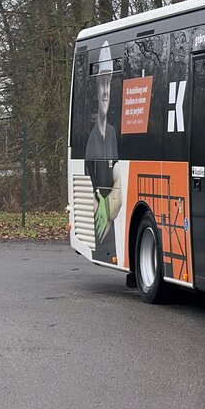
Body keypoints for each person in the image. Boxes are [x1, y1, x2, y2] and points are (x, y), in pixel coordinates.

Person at [84, 41, 122, 262]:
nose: (106, 91)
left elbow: (119, 175)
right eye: (102, 84)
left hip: (110, 228)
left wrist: (108, 209)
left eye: (109, 84)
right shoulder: (89, 138)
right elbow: (88, 183)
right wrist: (106, 208)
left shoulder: (113, 133)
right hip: (100, 231)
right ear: (96, 88)